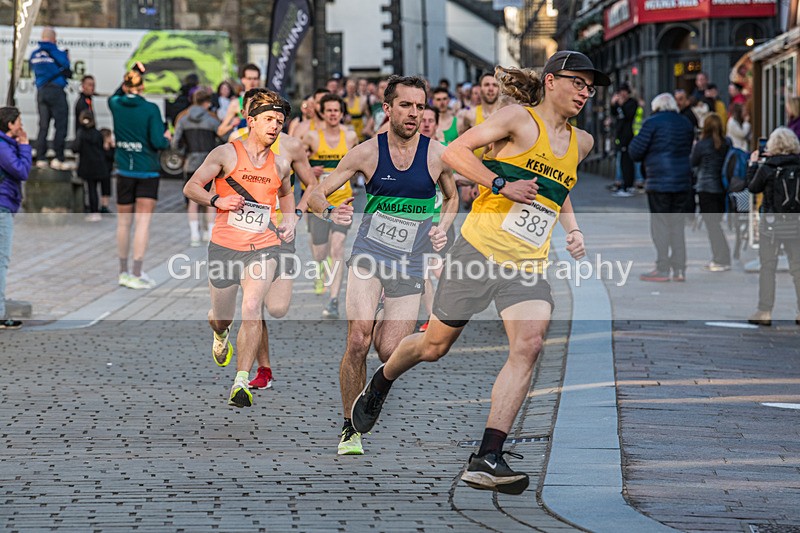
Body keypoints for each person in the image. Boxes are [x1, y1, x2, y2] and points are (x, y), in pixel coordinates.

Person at [350, 52, 604, 494]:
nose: (584, 93)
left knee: (530, 344)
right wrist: (500, 184)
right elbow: (454, 151)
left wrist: (574, 230)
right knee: (434, 346)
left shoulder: (583, 143)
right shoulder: (518, 120)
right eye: (577, 83)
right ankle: (382, 379)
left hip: (526, 262)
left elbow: (559, 192)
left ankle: (488, 456)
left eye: (589, 87)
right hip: (478, 251)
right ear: (550, 81)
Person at [308, 75, 457, 456]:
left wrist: (441, 229)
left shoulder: (438, 154)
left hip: (411, 265)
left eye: (419, 106)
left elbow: (452, 199)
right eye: (405, 105)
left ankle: (375, 385)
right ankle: (349, 428)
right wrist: (329, 211)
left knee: (390, 352)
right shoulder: (366, 153)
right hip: (369, 256)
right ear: (387, 109)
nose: (414, 114)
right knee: (358, 338)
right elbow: (315, 193)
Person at [183, 90, 297, 407]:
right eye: (269, 120)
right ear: (251, 121)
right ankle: (221, 334)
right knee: (221, 317)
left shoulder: (281, 165)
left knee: (251, 307)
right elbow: (191, 187)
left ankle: (241, 381)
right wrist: (217, 200)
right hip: (223, 247)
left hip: (263, 247)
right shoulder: (225, 154)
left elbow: (286, 195)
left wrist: (290, 220)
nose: (275, 126)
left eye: (280, 121)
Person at [108, 66, 172, 290]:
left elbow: (116, 93)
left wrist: (131, 72)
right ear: (142, 86)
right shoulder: (151, 109)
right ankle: (137, 271)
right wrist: (167, 138)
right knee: (143, 223)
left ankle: (122, 271)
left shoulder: (115, 104)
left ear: (125, 85)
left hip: (124, 170)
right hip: (147, 171)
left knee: (123, 224)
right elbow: (157, 142)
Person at [302, 94, 359, 319]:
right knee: (320, 251)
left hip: (343, 202)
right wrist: (309, 170)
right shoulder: (312, 137)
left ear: (342, 113)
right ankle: (319, 268)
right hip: (319, 204)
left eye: (337, 110)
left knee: (337, 248)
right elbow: (298, 162)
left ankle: (334, 299)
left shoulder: (351, 136)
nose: (333, 114)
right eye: (329, 111)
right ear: (322, 113)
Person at [629, 93, 695, 282]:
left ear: (656, 107)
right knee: (677, 225)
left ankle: (663, 267)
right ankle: (680, 269)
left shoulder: (652, 123)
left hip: (659, 182)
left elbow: (635, 151)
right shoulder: (685, 123)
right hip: (682, 181)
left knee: (660, 226)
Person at [745, 127, 800, 326]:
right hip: (796, 223)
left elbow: (752, 187)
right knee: (798, 268)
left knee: (767, 266)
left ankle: (765, 310)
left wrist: (752, 165)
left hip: (771, 224)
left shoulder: (768, 167)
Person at [173, 87, 221, 246]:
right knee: (211, 199)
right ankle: (210, 233)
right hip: (210, 163)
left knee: (193, 200)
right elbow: (223, 138)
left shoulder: (183, 119)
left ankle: (194, 235)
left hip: (191, 162)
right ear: (207, 103)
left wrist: (183, 154)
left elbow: (176, 143)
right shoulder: (212, 120)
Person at [0, 107, 32, 329]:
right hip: (2, 207)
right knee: (1, 261)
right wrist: (24, 145)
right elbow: (22, 171)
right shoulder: (3, 147)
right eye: (19, 121)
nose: (21, 125)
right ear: (10, 125)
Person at [690, 113, 732, 272]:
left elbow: (693, 162)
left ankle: (721, 258)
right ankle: (720, 257)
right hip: (721, 188)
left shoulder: (702, 145)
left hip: (706, 188)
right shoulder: (726, 143)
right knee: (715, 224)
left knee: (712, 226)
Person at [29, 27, 72, 170]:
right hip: (56, 91)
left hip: (41, 91)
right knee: (60, 125)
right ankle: (58, 158)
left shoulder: (34, 54)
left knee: (43, 126)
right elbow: (66, 66)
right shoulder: (57, 52)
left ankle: (41, 157)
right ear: (54, 39)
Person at [73, 110, 110, 222]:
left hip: (87, 165)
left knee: (91, 189)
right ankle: (101, 208)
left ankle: (94, 211)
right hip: (100, 164)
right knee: (99, 188)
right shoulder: (97, 133)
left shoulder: (81, 133)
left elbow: (75, 148)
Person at [217, 64, 262, 140]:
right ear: (243, 80)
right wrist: (232, 125)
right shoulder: (236, 103)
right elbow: (220, 131)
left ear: (259, 80)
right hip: (242, 147)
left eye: (255, 78)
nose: (252, 82)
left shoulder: (265, 101)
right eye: (249, 78)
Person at [610, 82, 638, 197]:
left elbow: (628, 115)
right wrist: (613, 104)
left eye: (624, 91)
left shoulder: (632, 103)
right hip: (620, 135)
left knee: (627, 161)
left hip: (629, 136)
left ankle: (628, 185)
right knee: (622, 161)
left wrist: (621, 105)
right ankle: (623, 183)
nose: (622, 94)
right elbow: (614, 114)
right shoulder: (619, 104)